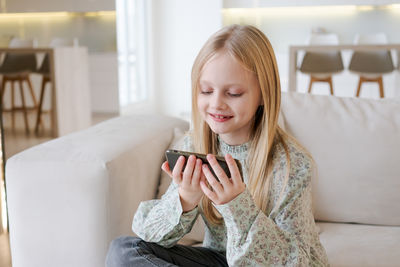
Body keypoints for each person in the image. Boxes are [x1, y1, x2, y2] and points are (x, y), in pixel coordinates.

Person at [106, 24, 329, 266]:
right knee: (123, 250)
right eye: (206, 90)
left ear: (264, 94)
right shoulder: (196, 145)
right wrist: (184, 199)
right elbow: (152, 234)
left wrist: (237, 206)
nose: (216, 103)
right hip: (219, 260)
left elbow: (299, 262)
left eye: (233, 93)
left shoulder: (291, 164)